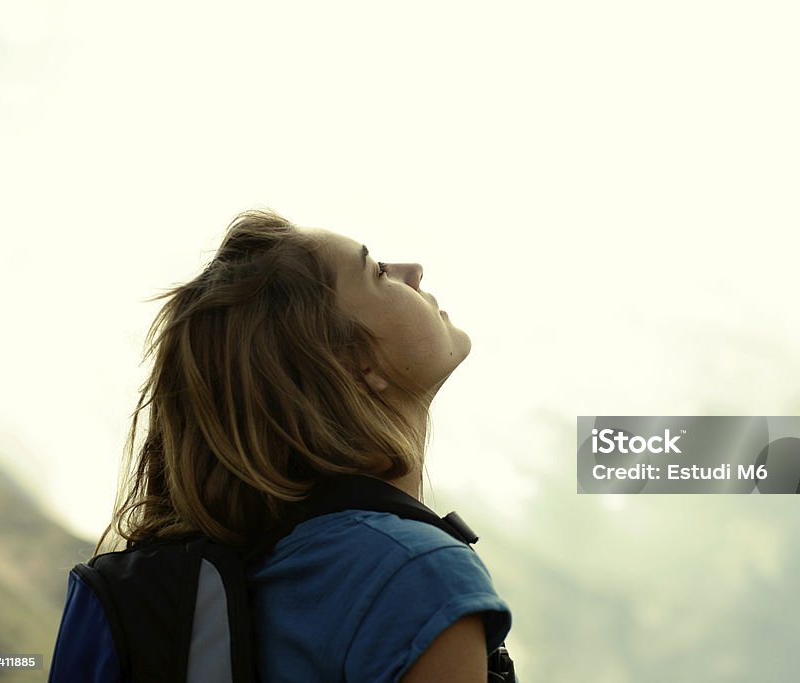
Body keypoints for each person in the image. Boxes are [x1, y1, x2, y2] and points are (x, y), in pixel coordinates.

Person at [100, 208, 512, 682]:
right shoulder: (418, 576)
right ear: (353, 361)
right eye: (377, 272)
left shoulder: (247, 568)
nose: (413, 272)